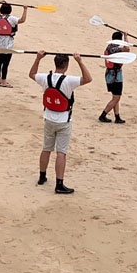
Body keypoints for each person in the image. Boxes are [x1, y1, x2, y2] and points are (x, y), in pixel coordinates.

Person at [29, 51, 91, 195]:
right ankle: (59, 184)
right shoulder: (69, 81)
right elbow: (88, 78)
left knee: (46, 148)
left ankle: (42, 176)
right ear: (67, 65)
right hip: (63, 120)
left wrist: (37, 59)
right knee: (61, 153)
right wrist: (80, 61)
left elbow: (32, 74)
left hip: (48, 118)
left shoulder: (46, 78)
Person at [0, 0, 28, 87]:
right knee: (5, 63)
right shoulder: (11, 19)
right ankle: (3, 82)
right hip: (8, 45)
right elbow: (22, 20)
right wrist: (25, 9)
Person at [99, 32, 130, 123]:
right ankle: (103, 115)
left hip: (110, 74)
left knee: (115, 97)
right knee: (117, 98)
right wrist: (126, 37)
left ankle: (117, 116)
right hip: (115, 76)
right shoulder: (114, 48)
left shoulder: (109, 47)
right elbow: (127, 49)